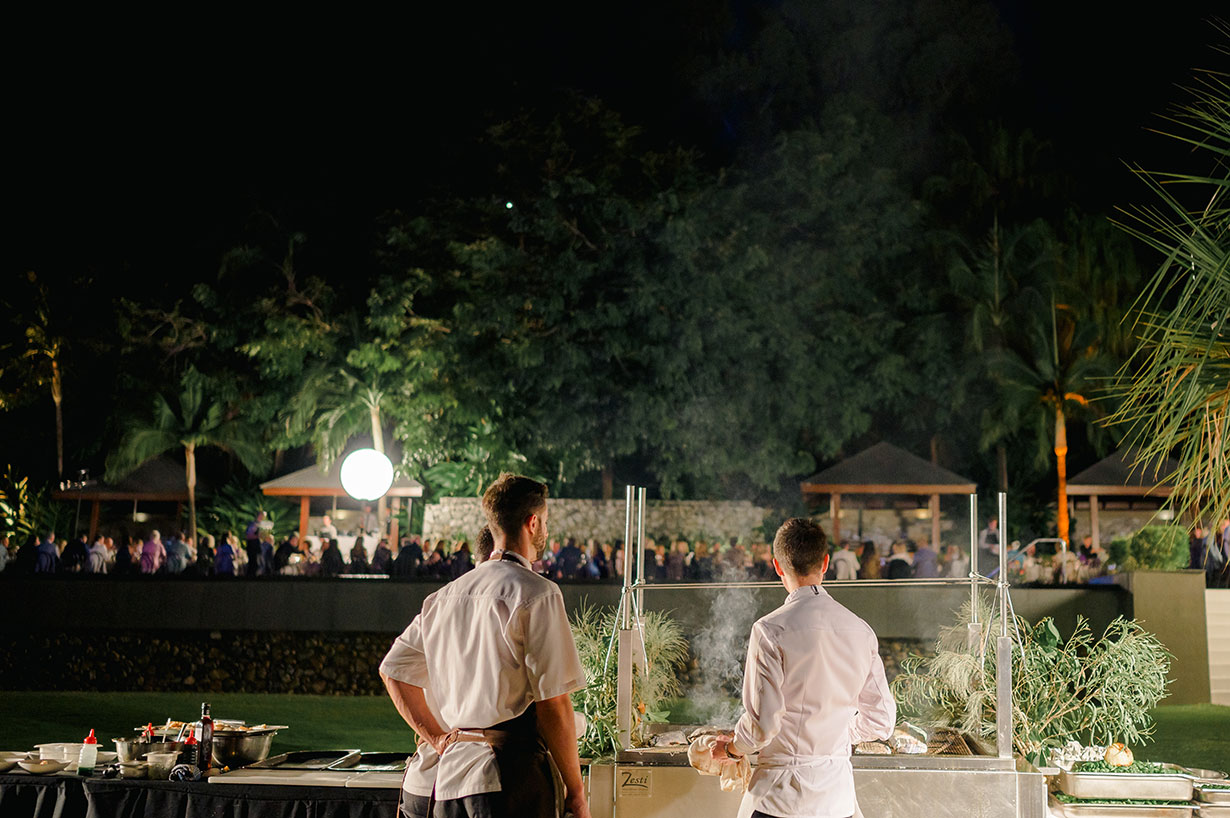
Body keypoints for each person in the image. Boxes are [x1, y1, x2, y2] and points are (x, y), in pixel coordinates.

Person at [379, 473, 591, 818]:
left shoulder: (443, 597)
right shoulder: (537, 593)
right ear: (533, 523)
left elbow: (393, 673)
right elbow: (555, 705)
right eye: (546, 522)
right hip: (507, 781)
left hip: (443, 782)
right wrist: (577, 793)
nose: (546, 530)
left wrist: (436, 738)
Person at [711, 518, 895, 818]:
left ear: (778, 566)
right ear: (825, 563)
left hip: (780, 800)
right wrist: (833, 733)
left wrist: (732, 749)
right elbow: (882, 720)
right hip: (838, 800)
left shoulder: (769, 630)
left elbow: (761, 727)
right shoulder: (861, 630)